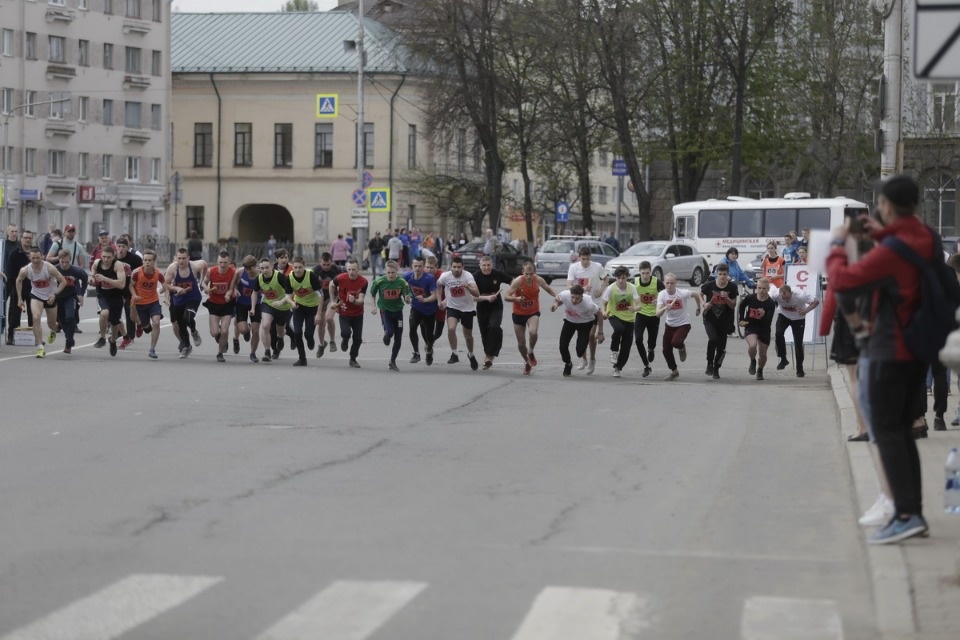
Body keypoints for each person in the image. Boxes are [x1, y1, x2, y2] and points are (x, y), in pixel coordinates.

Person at [826, 174, 932, 545]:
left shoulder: (890, 252)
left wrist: (838, 245)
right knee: (902, 432)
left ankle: (905, 514)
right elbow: (904, 244)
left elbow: (843, 280)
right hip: (918, 349)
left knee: (887, 432)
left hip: (891, 349)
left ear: (886, 205)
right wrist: (879, 232)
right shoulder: (925, 237)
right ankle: (912, 511)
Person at [504, 261, 561, 375]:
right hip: (518, 313)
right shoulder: (518, 281)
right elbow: (506, 296)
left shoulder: (538, 280)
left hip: (532, 312)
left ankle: (530, 351)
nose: (529, 276)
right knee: (521, 342)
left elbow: (549, 289)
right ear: (522, 272)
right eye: (526, 274)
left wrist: (557, 296)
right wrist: (516, 299)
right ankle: (526, 362)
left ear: (534, 272)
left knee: (533, 332)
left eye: (531, 273)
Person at [15, 247, 67, 358]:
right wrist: (19, 298)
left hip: (50, 296)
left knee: (51, 324)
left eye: (38, 258)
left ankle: (54, 330)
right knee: (36, 317)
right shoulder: (25, 270)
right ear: (29, 257)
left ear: (42, 256)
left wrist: (55, 294)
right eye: (33, 258)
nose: (35, 260)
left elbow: (63, 281)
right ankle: (40, 347)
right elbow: (18, 280)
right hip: (36, 295)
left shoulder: (49, 268)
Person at [566, 246, 609, 374]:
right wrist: (580, 289)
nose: (585, 261)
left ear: (591, 257)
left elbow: (606, 278)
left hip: (594, 303)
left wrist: (601, 289)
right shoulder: (574, 268)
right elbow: (568, 284)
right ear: (579, 258)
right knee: (582, 335)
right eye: (583, 259)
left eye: (587, 259)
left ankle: (592, 360)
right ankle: (583, 359)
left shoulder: (597, 266)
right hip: (580, 303)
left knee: (591, 335)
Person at [656, 273, 703, 381]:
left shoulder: (682, 293)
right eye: (667, 283)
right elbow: (657, 313)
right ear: (664, 283)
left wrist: (699, 307)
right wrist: (664, 308)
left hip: (683, 324)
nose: (669, 285)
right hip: (669, 325)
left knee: (676, 342)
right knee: (665, 350)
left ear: (675, 284)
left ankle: (681, 347)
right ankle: (674, 371)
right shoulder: (662, 295)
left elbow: (696, 294)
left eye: (672, 283)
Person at [437, 256, 481, 370]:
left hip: (467, 308)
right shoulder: (446, 276)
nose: (456, 269)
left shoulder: (468, 276)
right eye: (454, 267)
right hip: (452, 307)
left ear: (463, 267)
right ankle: (454, 353)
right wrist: (439, 301)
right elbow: (438, 285)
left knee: (468, 336)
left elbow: (476, 293)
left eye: (459, 267)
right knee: (451, 328)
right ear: (451, 267)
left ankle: (471, 354)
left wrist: (468, 288)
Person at [551, 284, 603, 377]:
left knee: (580, 351)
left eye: (577, 298)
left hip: (585, 323)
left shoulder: (589, 304)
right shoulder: (564, 294)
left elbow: (599, 315)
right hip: (569, 321)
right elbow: (559, 301)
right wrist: (555, 305)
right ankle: (568, 364)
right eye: (572, 297)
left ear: (582, 297)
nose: (574, 300)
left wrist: (600, 333)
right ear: (570, 294)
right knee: (562, 346)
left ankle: (587, 358)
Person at [369, 260, 413, 371]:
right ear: (385, 271)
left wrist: (408, 299)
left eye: (393, 272)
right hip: (386, 311)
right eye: (388, 272)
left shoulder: (402, 282)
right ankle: (387, 335)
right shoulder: (379, 281)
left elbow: (407, 298)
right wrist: (373, 306)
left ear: (397, 272)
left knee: (398, 338)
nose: (390, 275)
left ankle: (392, 361)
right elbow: (372, 294)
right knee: (390, 332)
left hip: (398, 312)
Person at [164, 248, 206, 359]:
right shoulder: (172, 268)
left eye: (183, 258)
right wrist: (176, 288)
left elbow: (205, 265)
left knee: (188, 317)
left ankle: (194, 331)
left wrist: (202, 282)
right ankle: (187, 346)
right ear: (176, 258)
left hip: (193, 297)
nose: (181, 261)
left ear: (188, 258)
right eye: (179, 258)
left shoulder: (195, 266)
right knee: (181, 326)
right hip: (179, 299)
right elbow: (166, 285)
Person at [770, 283, 819, 377]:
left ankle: (799, 368)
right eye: (783, 298)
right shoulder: (775, 294)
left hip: (798, 318)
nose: (786, 300)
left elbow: (816, 301)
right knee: (778, 334)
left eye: (788, 297)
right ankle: (783, 358)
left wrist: (806, 311)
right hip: (783, 315)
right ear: (779, 295)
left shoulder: (800, 295)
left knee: (798, 343)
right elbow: (770, 286)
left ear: (791, 293)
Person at [600, 266, 640, 378]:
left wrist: (634, 309)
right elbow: (604, 303)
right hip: (614, 315)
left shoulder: (632, 288)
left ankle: (618, 368)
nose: (621, 281)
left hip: (629, 318)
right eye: (618, 278)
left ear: (627, 277)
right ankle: (614, 351)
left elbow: (639, 305)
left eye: (623, 278)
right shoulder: (611, 288)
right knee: (618, 329)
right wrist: (603, 312)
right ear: (616, 278)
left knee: (626, 347)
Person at [700, 262, 739, 379]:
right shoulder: (710, 285)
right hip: (710, 318)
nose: (722, 277)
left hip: (724, 320)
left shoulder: (732, 287)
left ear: (728, 275)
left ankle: (716, 368)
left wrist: (727, 298)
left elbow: (733, 305)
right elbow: (700, 294)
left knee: (721, 347)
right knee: (713, 339)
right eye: (720, 274)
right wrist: (704, 304)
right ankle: (709, 363)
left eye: (724, 274)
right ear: (716, 274)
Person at [252, 257, 294, 363]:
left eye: (267, 267)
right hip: (268, 304)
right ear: (259, 269)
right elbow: (255, 292)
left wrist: (281, 302)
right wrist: (252, 307)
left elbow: (290, 292)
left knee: (280, 330)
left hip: (283, 306)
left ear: (271, 266)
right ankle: (267, 352)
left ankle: (280, 337)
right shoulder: (259, 278)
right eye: (262, 268)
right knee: (265, 325)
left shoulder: (279, 277)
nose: (265, 270)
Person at [472, 255, 510, 370]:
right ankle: (488, 355)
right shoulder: (475, 277)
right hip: (482, 308)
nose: (486, 268)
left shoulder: (497, 274)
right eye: (484, 265)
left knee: (494, 326)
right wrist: (487, 298)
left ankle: (489, 356)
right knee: (485, 333)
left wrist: (513, 292)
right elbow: (473, 298)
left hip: (496, 307)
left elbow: (512, 281)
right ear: (480, 266)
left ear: (492, 265)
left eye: (488, 265)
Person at [330, 258, 368, 368]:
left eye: (354, 270)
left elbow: (361, 299)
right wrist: (333, 300)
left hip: (358, 314)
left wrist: (355, 301)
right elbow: (331, 285)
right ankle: (345, 340)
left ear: (358, 269)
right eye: (349, 269)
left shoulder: (363, 281)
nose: (351, 272)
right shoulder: (340, 278)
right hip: (344, 312)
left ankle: (353, 358)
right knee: (346, 333)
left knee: (358, 339)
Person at [91, 246, 128, 357]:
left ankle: (112, 341)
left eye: (108, 257)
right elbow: (93, 268)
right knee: (104, 313)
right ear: (101, 255)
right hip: (102, 293)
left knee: (115, 322)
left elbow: (122, 284)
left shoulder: (118, 265)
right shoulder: (98, 262)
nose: (106, 260)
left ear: (113, 256)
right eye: (104, 257)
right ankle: (102, 338)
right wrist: (92, 277)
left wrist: (105, 279)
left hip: (116, 295)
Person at [201, 251, 238, 363]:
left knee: (225, 330)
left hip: (227, 303)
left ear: (229, 262)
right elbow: (203, 283)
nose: (222, 265)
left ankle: (220, 353)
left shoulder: (233, 272)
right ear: (217, 262)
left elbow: (233, 288)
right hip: (214, 303)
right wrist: (206, 288)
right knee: (214, 332)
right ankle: (222, 338)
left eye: (225, 263)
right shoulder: (211, 271)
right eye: (220, 262)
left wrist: (229, 294)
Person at [129, 249, 166, 359]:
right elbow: (131, 286)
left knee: (156, 322)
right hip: (139, 302)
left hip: (153, 301)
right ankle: (141, 324)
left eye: (149, 260)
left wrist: (167, 297)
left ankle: (152, 349)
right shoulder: (136, 272)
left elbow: (165, 287)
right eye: (145, 260)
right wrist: (134, 295)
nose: (147, 262)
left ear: (154, 261)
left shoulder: (158, 273)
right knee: (140, 323)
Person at [738, 278, 777, 380]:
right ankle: (752, 361)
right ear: (756, 288)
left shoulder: (771, 303)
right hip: (751, 325)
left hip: (764, 328)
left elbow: (768, 321)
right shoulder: (750, 298)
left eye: (763, 288)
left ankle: (760, 370)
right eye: (759, 288)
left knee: (763, 353)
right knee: (752, 345)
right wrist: (741, 319)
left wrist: (764, 315)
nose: (761, 291)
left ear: (768, 289)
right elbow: (741, 306)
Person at [287, 256, 323, 367]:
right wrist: (292, 304)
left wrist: (319, 314)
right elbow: (287, 296)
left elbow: (321, 295)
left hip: (312, 307)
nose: (297, 270)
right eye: (295, 267)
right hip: (299, 306)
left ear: (304, 266)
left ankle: (310, 339)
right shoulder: (290, 277)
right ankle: (302, 359)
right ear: (292, 267)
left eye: (300, 267)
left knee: (308, 333)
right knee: (297, 332)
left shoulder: (311, 275)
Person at [404, 256, 439, 366]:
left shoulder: (429, 278)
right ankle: (416, 353)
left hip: (429, 310)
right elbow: (402, 287)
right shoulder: (407, 276)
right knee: (412, 328)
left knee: (429, 337)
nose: (417, 268)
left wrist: (425, 299)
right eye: (415, 266)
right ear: (412, 266)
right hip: (416, 308)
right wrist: (406, 296)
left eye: (420, 266)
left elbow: (434, 296)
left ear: (424, 267)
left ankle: (429, 351)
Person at [53, 248, 88, 355]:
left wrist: (81, 294)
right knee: (62, 321)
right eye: (62, 262)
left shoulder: (75, 270)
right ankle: (69, 338)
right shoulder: (54, 269)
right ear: (59, 260)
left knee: (70, 317)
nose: (64, 264)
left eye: (67, 262)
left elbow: (85, 278)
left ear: (70, 260)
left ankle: (68, 343)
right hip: (58, 297)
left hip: (71, 296)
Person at [633, 261, 664, 378]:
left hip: (653, 315)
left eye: (647, 273)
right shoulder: (635, 282)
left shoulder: (657, 282)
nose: (645, 276)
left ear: (650, 272)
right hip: (640, 314)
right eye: (643, 273)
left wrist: (660, 300)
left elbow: (666, 294)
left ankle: (651, 349)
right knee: (638, 340)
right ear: (639, 272)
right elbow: (626, 291)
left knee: (652, 342)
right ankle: (646, 366)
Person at [4, 227, 33, 345]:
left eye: (30, 238)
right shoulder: (15, 253)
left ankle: (35, 336)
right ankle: (11, 336)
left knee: (33, 313)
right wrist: (11, 289)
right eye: (25, 238)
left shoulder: (36, 252)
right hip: (17, 286)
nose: (27, 240)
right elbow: (10, 273)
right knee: (14, 313)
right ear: (21, 239)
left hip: (33, 287)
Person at [312, 252, 342, 357]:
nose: (325, 267)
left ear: (331, 262)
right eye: (323, 264)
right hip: (319, 298)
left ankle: (332, 341)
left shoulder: (337, 269)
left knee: (329, 318)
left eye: (328, 264)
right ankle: (321, 344)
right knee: (321, 322)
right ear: (320, 262)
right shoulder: (315, 271)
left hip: (332, 297)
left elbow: (348, 273)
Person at [233, 255, 262, 363]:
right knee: (243, 329)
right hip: (241, 303)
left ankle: (253, 353)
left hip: (257, 304)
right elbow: (234, 285)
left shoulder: (261, 275)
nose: (248, 270)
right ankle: (244, 330)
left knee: (256, 331)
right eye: (246, 268)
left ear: (256, 266)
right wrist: (235, 290)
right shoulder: (240, 272)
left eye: (250, 268)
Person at [115, 237, 143, 349]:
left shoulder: (135, 259)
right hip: (117, 288)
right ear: (116, 247)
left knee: (129, 312)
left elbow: (141, 274)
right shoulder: (113, 258)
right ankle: (120, 332)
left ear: (127, 248)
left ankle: (130, 336)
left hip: (131, 289)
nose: (121, 249)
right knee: (114, 312)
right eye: (119, 246)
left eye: (123, 246)